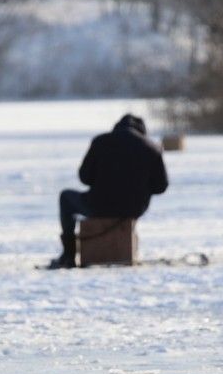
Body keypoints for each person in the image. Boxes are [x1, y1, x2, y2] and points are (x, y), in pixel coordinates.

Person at [49, 113, 169, 269]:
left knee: (66, 198)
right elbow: (161, 186)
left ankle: (69, 254)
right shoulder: (152, 148)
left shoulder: (100, 142)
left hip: (97, 206)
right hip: (133, 209)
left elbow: (84, 177)